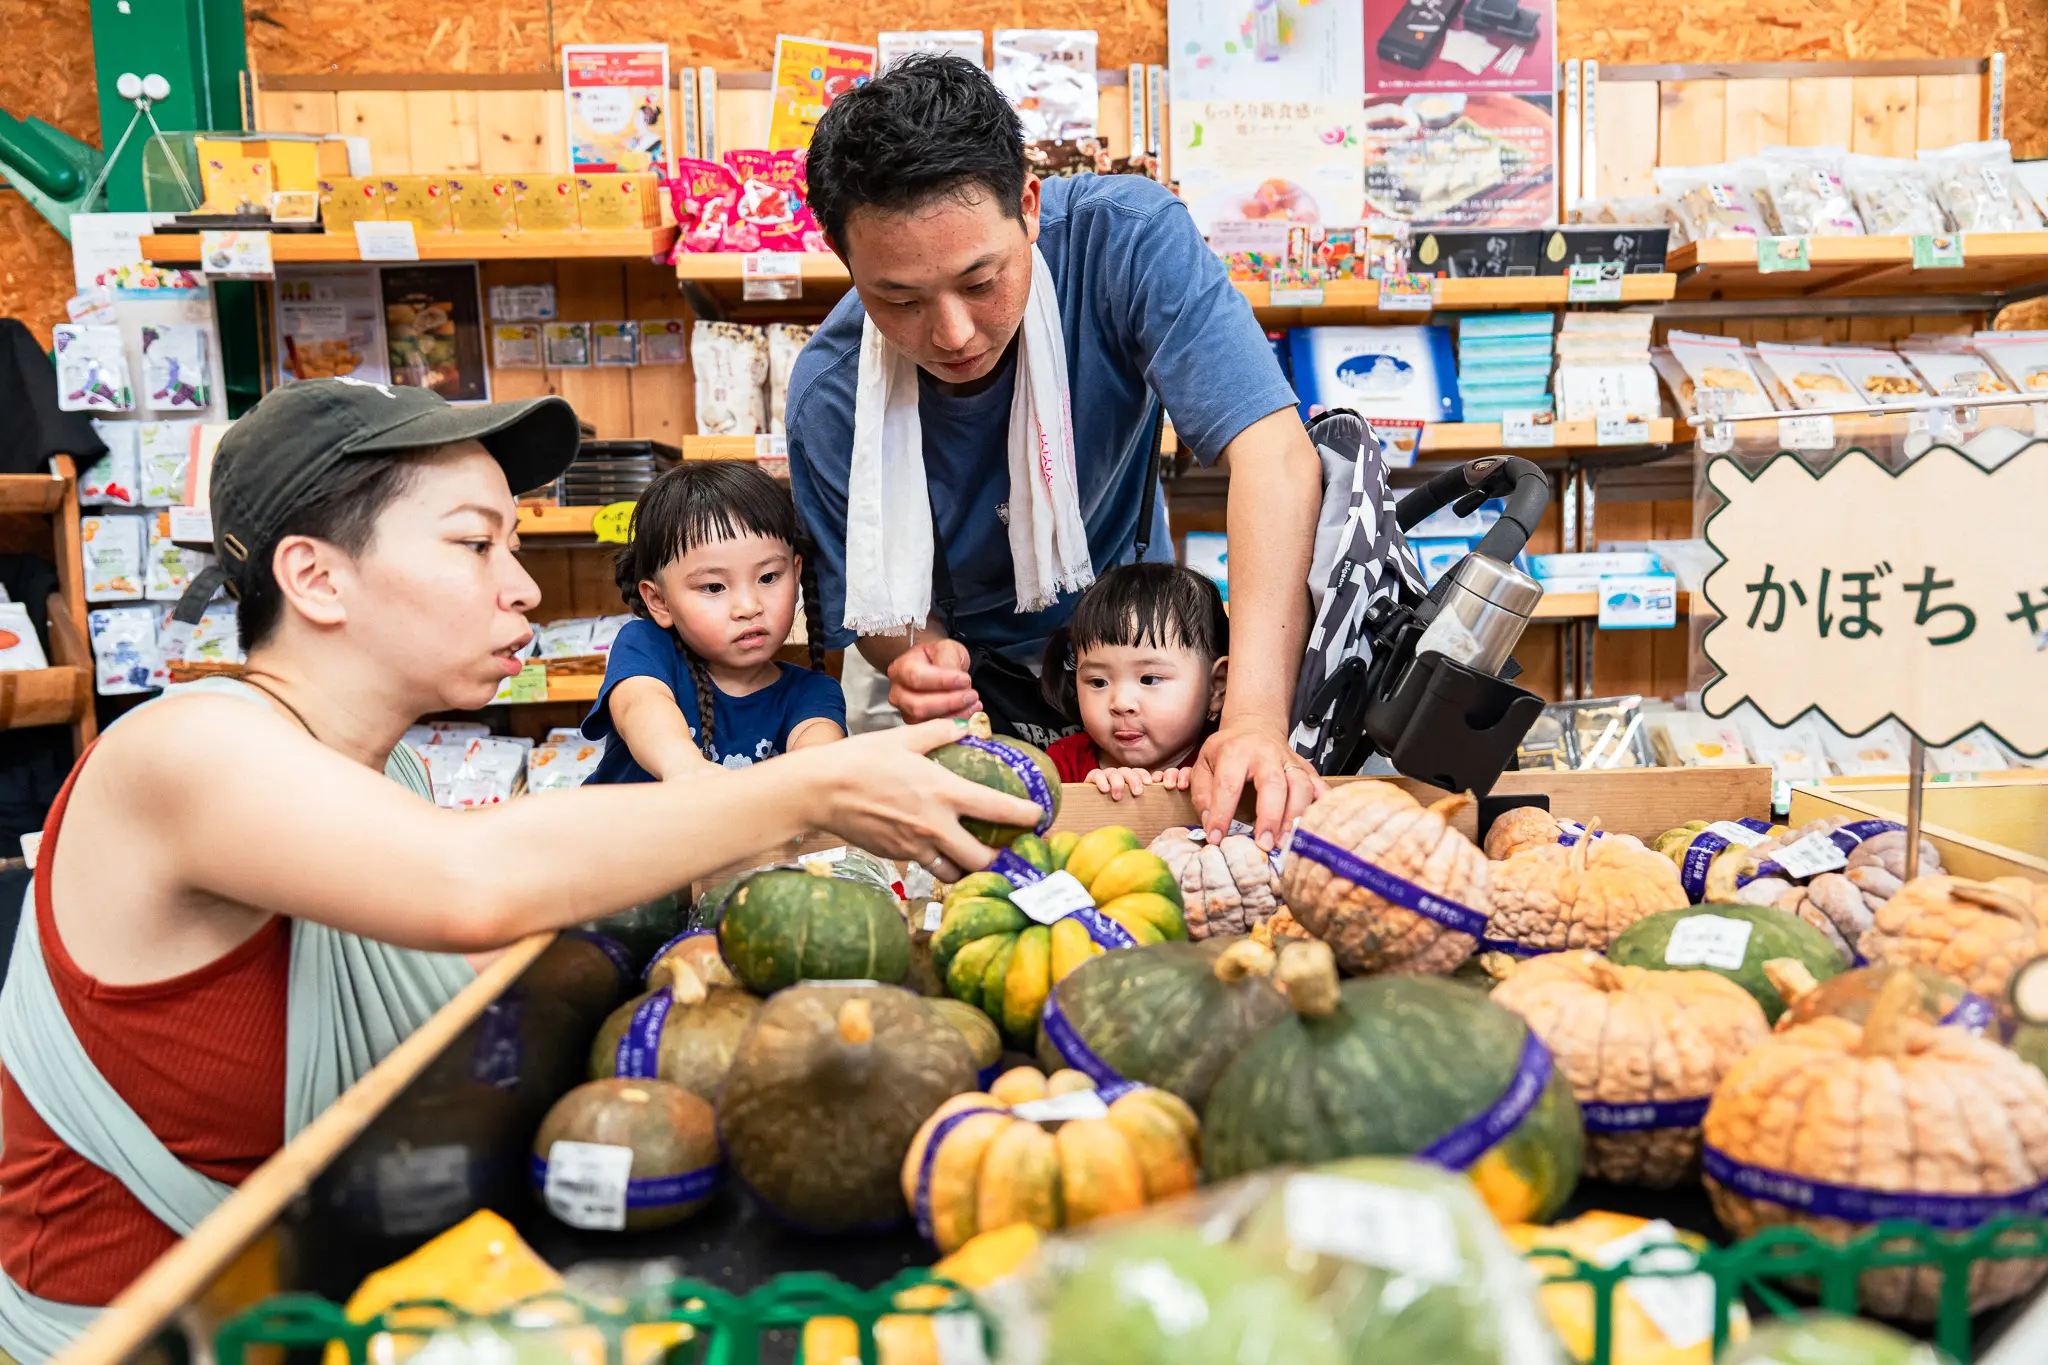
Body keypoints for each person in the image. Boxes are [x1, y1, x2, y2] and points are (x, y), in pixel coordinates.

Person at [0, 379, 1038, 1360]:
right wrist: (813, 791)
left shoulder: (383, 767)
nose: (525, 587)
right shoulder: (180, 750)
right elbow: (470, 883)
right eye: (473, 544)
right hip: (139, 1334)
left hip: (321, 1299)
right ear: (315, 578)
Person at [784, 55, 1326, 850]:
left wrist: (1248, 718)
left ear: (1029, 207)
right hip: (986, 682)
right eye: (897, 298)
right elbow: (885, 610)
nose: (952, 334)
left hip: (1146, 642)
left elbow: (1275, 455)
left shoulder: (1127, 240)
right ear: (846, 261)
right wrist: (922, 661)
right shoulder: (829, 395)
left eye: (980, 280)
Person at [583, 461, 843, 782]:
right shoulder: (646, 647)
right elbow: (639, 706)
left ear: (797, 572)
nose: (749, 607)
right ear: (659, 601)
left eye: (769, 577)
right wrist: (683, 766)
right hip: (622, 832)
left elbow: (817, 761)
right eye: (714, 587)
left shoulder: (814, 692)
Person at [1038, 562, 1227, 801]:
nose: (1121, 703)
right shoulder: (1063, 765)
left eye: (1149, 679)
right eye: (1098, 682)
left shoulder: (1225, 762)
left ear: (1216, 687)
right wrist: (1085, 799)